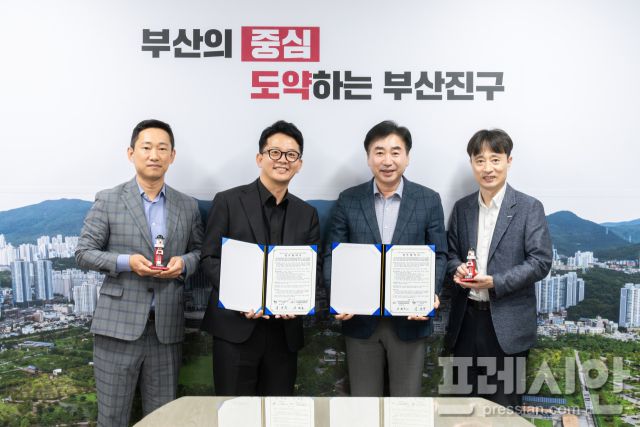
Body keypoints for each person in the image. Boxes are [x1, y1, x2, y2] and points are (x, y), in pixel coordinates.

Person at [75, 119, 203, 426]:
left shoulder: (188, 206)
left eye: (162, 148)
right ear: (131, 153)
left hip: (166, 329)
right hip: (117, 330)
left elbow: (200, 251)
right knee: (112, 417)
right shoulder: (109, 199)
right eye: (146, 147)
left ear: (172, 156)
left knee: (163, 419)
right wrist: (126, 262)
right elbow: (83, 253)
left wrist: (184, 263)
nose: (154, 155)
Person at [324, 120, 447, 396]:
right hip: (360, 320)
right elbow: (333, 254)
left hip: (410, 319)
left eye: (395, 152)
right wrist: (338, 296)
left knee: (406, 404)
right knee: (364, 403)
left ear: (407, 157)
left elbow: (439, 254)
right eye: (379, 152)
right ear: (368, 158)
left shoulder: (428, 200)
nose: (387, 160)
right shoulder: (349, 199)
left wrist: (430, 293)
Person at [200, 120, 321, 396]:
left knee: (279, 412)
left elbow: (313, 269)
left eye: (291, 155)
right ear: (260, 158)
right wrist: (241, 297)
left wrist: (298, 301)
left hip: (284, 333)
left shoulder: (307, 214)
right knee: (234, 411)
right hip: (235, 329)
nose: (283, 160)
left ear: (299, 164)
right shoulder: (228, 201)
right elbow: (210, 257)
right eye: (275, 152)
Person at [444, 128, 552, 408]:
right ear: (472, 164)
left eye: (495, 159)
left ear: (509, 161)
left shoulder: (529, 207)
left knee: (502, 414)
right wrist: (457, 269)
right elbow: (450, 254)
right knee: (462, 411)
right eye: (480, 160)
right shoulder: (462, 208)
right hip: (466, 324)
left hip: (507, 326)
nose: (487, 168)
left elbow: (541, 261)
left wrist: (496, 282)